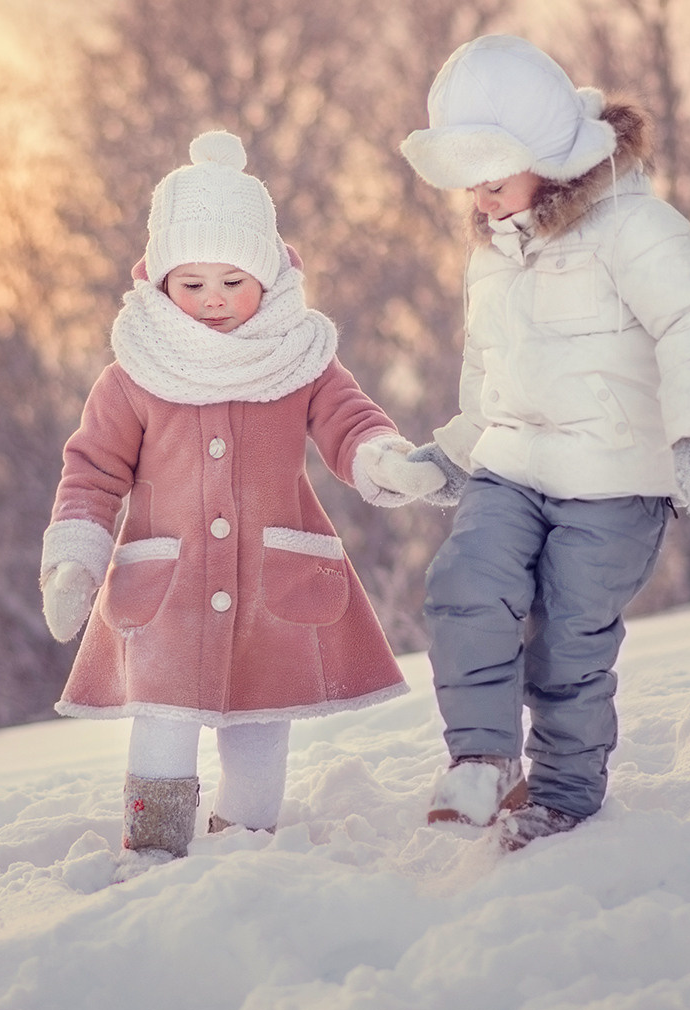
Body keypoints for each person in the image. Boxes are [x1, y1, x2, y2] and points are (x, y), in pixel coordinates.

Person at [39, 130, 446, 861]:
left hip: (272, 586)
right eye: (191, 284)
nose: (212, 301)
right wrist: (74, 559)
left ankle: (245, 841)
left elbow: (349, 422)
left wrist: (384, 459)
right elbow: (94, 471)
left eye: (233, 281)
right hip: (168, 591)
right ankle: (154, 845)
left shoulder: (301, 360)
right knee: (162, 720)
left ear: (269, 276)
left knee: (260, 725)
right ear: (160, 281)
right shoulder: (135, 372)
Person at [398, 34, 690, 850]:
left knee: (566, 640)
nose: (480, 202)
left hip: (613, 481)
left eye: (492, 180)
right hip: (512, 468)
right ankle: (483, 757)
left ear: (548, 157)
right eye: (469, 185)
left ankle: (563, 792)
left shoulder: (636, 227)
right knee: (464, 583)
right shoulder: (491, 253)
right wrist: (456, 450)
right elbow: (488, 370)